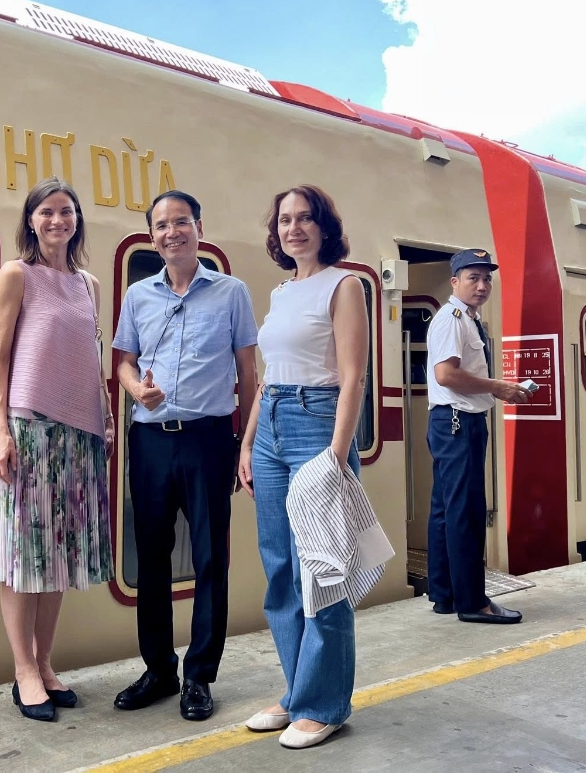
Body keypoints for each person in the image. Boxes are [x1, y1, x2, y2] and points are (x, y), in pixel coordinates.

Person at [0, 177, 115, 724]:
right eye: (47, 212)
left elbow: (90, 357)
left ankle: (46, 664)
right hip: (27, 430)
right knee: (21, 553)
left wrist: (106, 412)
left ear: (77, 220)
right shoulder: (15, 274)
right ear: (31, 220)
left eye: (66, 212)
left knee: (59, 554)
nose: (57, 220)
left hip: (78, 435)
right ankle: (23, 670)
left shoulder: (88, 284)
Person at [111, 189, 258, 722]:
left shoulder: (231, 292)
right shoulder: (138, 296)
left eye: (181, 223)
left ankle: (199, 676)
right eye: (161, 225)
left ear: (199, 228)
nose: (170, 232)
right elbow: (123, 362)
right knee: (149, 556)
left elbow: (248, 372)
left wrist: (244, 440)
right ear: (152, 235)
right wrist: (136, 391)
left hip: (207, 438)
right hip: (150, 439)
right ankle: (158, 670)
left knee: (210, 558)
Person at [237, 185, 369, 750]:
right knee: (280, 568)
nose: (294, 228)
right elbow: (269, 375)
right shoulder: (282, 291)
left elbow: (353, 376)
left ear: (323, 227)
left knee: (323, 570)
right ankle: (298, 691)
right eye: (286, 220)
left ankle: (326, 704)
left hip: (318, 426)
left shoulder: (345, 285)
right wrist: (247, 443)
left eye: (305, 219)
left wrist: (338, 455)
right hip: (271, 426)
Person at [425, 249, 529, 625]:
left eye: (487, 279)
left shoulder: (465, 319)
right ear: (455, 281)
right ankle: (473, 602)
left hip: (452, 421)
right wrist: (498, 387)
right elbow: (446, 375)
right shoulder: (452, 320)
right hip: (457, 422)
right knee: (465, 512)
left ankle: (445, 594)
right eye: (473, 277)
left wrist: (495, 389)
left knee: (445, 510)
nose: (482, 286)